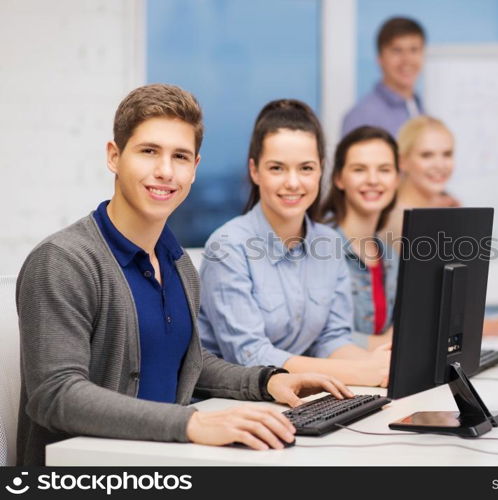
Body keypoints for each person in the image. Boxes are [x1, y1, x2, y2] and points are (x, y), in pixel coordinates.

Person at [15, 84, 353, 466]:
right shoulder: (63, 261)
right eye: (149, 151)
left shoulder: (177, 264)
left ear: (194, 168)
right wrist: (192, 423)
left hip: (163, 462)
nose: (165, 171)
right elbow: (57, 394)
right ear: (114, 156)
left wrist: (266, 381)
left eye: (180, 156)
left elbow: (188, 361)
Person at [198, 100, 391, 388]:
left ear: (321, 171)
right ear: (254, 171)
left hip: (300, 399)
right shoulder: (227, 247)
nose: (293, 182)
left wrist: (380, 365)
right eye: (277, 168)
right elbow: (251, 355)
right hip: (232, 403)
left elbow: (332, 339)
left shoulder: (329, 243)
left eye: (306, 168)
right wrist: (361, 374)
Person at [382, 116, 498, 337]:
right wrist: (495, 327)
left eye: (447, 154)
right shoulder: (402, 221)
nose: (440, 165)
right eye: (427, 155)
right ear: (402, 161)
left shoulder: (439, 207)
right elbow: (425, 313)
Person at [322, 126, 401, 350]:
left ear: (396, 179)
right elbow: (316, 337)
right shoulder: (320, 248)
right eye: (359, 169)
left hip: (377, 378)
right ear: (339, 178)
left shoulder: (391, 257)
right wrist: (384, 343)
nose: (373, 180)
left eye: (384, 170)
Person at [341, 17, 426, 137]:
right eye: (397, 50)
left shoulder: (419, 109)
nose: (407, 60)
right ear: (380, 58)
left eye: (414, 50)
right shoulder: (362, 117)